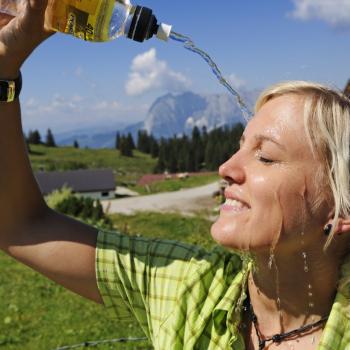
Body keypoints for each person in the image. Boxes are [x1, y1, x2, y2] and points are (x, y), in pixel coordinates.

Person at [1, 1, 350, 349]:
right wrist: (5, 65)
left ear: (339, 210)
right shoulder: (189, 287)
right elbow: (20, 226)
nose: (226, 169)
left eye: (266, 156)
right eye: (239, 146)